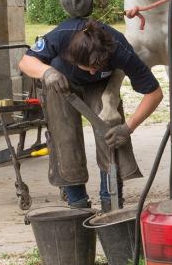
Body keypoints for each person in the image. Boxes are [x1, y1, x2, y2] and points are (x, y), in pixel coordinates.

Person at [18, 18, 162, 209]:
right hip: (60, 82)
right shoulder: (62, 35)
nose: (93, 72)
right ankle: (77, 202)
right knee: (65, 136)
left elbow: (155, 93)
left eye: (98, 67)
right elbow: (26, 61)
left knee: (110, 129)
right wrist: (47, 72)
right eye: (89, 67)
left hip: (100, 86)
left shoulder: (120, 49)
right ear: (72, 56)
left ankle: (110, 199)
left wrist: (128, 128)